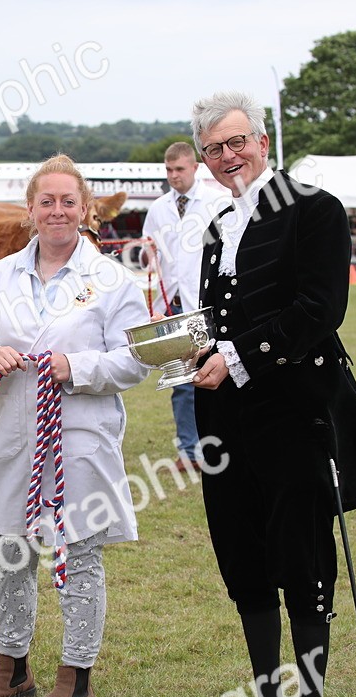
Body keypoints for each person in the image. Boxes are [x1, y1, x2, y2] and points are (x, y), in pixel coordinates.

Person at [188, 90, 356, 697]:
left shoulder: (313, 209)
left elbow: (320, 309)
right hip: (227, 418)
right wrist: (190, 351)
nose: (228, 156)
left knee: (301, 560)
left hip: (294, 413)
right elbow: (218, 321)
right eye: (214, 148)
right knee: (243, 559)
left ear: (264, 141)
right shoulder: (218, 228)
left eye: (237, 141)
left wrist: (237, 358)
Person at [0, 154, 151, 697]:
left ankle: (77, 679)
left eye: (69, 201)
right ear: (31, 210)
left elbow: (134, 360)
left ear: (86, 209)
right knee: (8, 548)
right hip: (15, 432)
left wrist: (76, 367)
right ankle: (12, 668)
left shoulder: (113, 280)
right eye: (48, 201)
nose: (58, 211)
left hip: (80, 437)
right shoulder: (2, 275)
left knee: (77, 553)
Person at [142, 141, 225, 471]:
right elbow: (149, 252)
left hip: (205, 304)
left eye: (179, 169)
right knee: (181, 380)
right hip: (172, 305)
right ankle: (189, 450)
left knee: (214, 373)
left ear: (195, 168)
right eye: (168, 170)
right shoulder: (158, 208)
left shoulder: (216, 202)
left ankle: (214, 443)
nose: (173, 176)